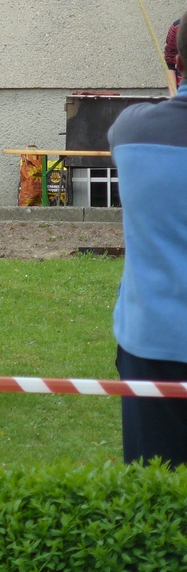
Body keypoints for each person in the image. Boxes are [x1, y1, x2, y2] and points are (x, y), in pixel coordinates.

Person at [109, 30, 187, 467]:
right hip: (151, 343)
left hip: (152, 342)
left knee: (154, 489)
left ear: (178, 63)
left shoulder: (132, 128)